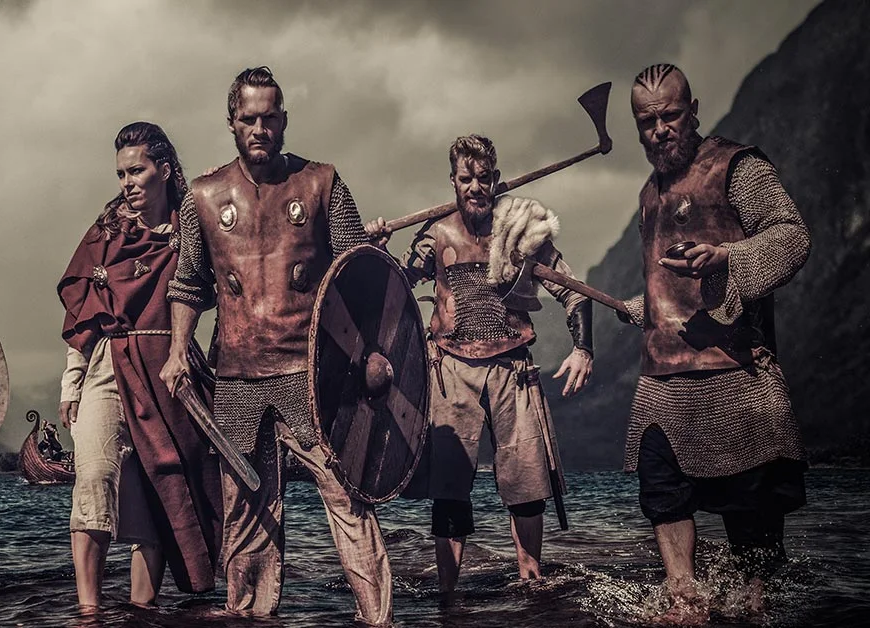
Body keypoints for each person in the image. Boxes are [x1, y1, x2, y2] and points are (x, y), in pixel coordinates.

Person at [158, 66, 391, 625]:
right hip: (237, 374)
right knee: (246, 510)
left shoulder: (321, 183)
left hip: (313, 372)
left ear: (284, 119)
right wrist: (176, 349)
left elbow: (356, 275)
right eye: (249, 119)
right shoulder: (204, 197)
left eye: (270, 118)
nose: (260, 128)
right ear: (232, 123)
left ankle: (378, 617)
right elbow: (189, 283)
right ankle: (249, 613)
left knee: (347, 497)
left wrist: (377, 345)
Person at [618, 63, 809, 624]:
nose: (660, 130)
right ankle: (684, 603)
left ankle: (755, 608)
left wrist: (730, 257)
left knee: (754, 556)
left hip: (736, 375)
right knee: (662, 495)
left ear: (694, 110)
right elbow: (667, 284)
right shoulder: (647, 194)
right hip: (663, 385)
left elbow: (793, 236)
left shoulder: (737, 167)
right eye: (646, 121)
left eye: (670, 116)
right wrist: (641, 307)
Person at [367, 134, 594, 595]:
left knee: (528, 486)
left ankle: (531, 583)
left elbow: (573, 289)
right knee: (449, 488)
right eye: (466, 178)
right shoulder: (435, 234)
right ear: (453, 180)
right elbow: (395, 283)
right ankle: (449, 596)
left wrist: (582, 348)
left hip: (514, 371)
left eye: (484, 177)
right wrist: (378, 245)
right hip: (450, 371)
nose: (475, 186)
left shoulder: (521, 230)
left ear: (495, 177)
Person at [56, 121, 221, 610]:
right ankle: (89, 611)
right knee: (93, 479)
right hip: (109, 363)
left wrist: (216, 195)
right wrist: (72, 383)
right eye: (121, 173)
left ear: (164, 171)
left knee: (158, 490)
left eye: (137, 171)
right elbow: (83, 309)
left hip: (172, 365)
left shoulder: (193, 226)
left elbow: (234, 268)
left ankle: (140, 613)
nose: (127, 182)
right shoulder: (106, 234)